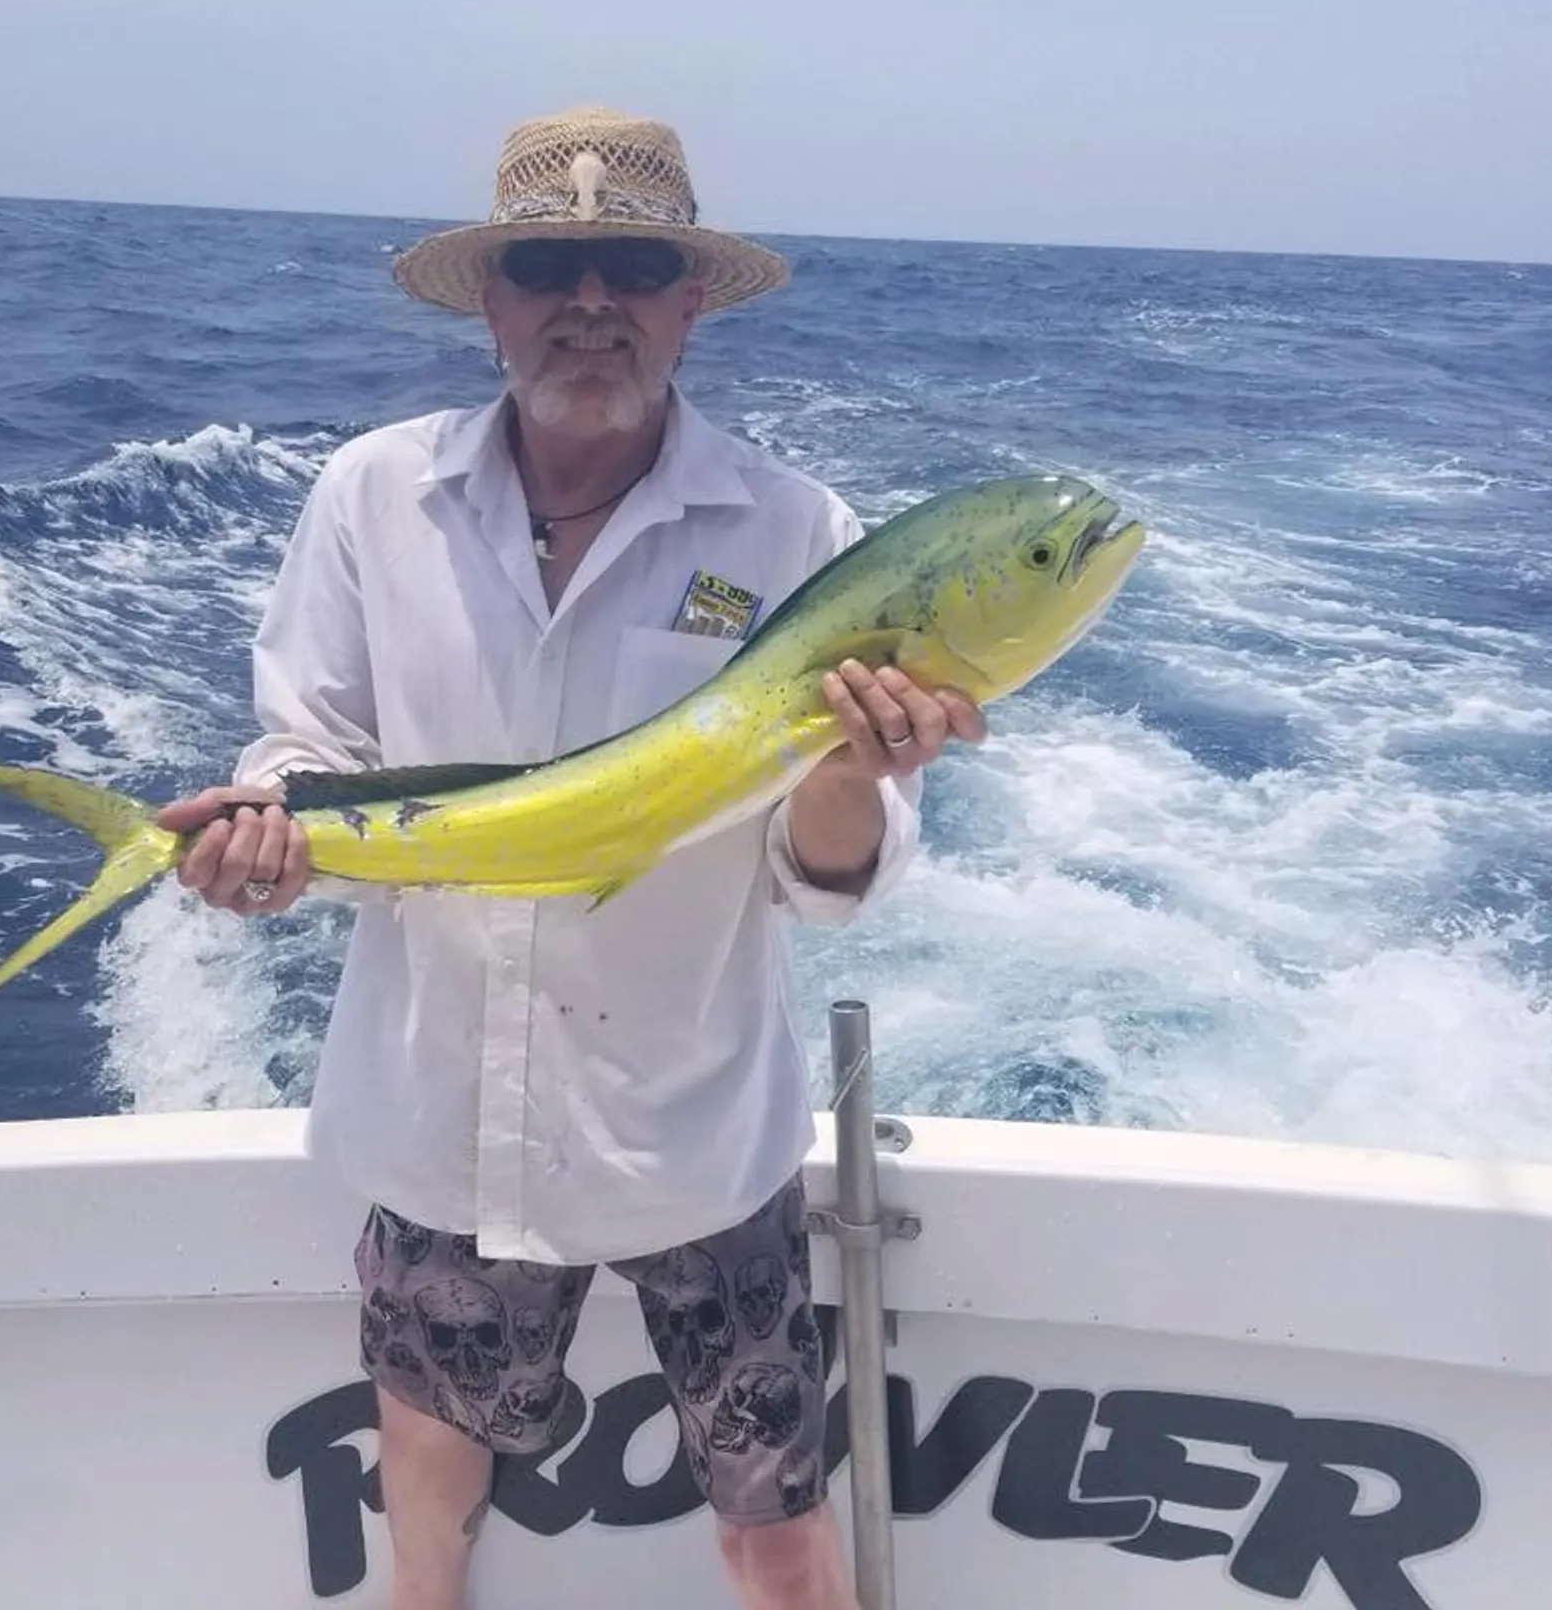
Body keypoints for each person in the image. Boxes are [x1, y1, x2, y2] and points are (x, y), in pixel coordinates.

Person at [158, 106, 985, 1610]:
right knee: (426, 1499)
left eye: (634, 267)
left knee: (774, 1533)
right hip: (441, 1111)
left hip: (695, 1135)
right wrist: (269, 843)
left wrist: (847, 774)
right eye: (547, 265)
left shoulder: (797, 530)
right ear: (491, 299)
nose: (590, 302)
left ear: (690, 300)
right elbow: (308, 754)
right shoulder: (373, 495)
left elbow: (825, 882)